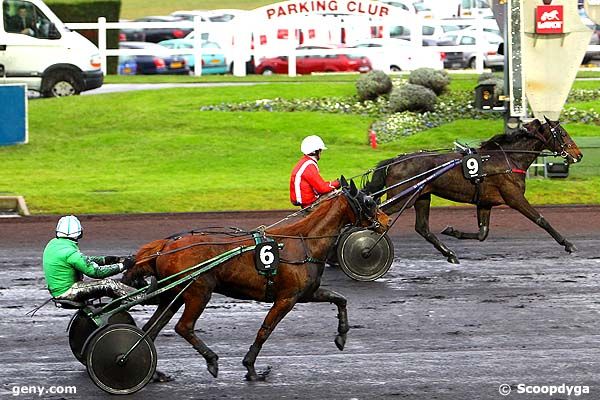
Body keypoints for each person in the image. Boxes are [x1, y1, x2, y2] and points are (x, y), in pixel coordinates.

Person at [42, 215, 140, 303]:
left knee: (109, 285)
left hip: (58, 290)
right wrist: (123, 266)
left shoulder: (53, 244)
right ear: (80, 233)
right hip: (68, 291)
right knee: (109, 284)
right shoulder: (71, 253)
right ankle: (141, 297)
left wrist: (105, 260)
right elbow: (96, 272)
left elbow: (82, 260)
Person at [290, 135, 340, 208]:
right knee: (342, 198)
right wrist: (337, 183)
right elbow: (322, 188)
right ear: (315, 151)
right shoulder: (309, 166)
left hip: (306, 202)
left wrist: (334, 183)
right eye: (320, 150)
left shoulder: (304, 162)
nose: (321, 153)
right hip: (311, 204)